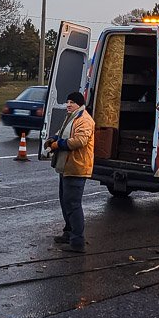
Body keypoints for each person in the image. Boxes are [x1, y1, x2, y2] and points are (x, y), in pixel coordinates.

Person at [47, 91, 95, 253]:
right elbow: (62, 132)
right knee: (65, 201)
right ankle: (68, 233)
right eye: (67, 101)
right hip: (66, 167)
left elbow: (80, 141)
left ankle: (77, 242)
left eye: (72, 102)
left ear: (79, 104)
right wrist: (53, 139)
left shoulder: (84, 119)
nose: (68, 104)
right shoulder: (72, 116)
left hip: (77, 167)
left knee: (73, 205)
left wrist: (58, 144)